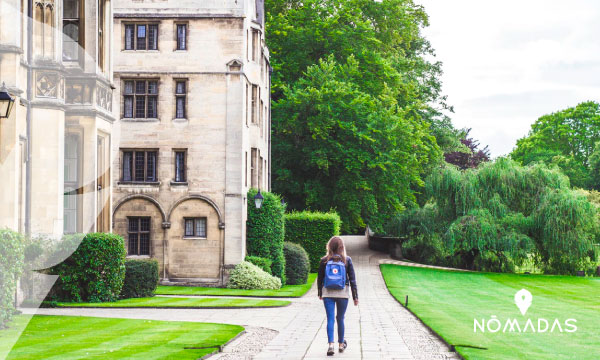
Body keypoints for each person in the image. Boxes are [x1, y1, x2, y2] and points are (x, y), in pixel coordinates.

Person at [317, 236, 359, 356]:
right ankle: (341, 344)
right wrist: (355, 297)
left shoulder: (324, 260)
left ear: (329, 246)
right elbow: (352, 280)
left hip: (328, 293)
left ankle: (331, 345)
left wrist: (320, 293)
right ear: (342, 247)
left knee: (330, 319)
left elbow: (319, 279)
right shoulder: (347, 260)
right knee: (340, 318)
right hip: (343, 293)